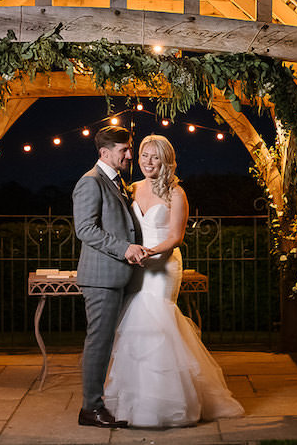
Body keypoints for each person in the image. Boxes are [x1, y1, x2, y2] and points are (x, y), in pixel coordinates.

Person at [104, 134, 244, 427]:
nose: (148, 162)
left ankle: (166, 404)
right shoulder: (131, 188)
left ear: (166, 160)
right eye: (144, 155)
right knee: (135, 329)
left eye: (155, 157)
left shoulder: (176, 193)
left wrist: (150, 252)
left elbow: (176, 237)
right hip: (137, 264)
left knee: (156, 323)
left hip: (163, 264)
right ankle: (136, 403)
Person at [72, 125, 150, 428]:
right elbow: (86, 230)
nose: (130, 154)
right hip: (101, 278)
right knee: (99, 343)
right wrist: (126, 248)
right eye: (124, 150)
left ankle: (100, 403)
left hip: (118, 276)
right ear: (104, 153)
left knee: (108, 342)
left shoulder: (116, 182)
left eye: (129, 149)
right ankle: (90, 409)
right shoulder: (90, 182)